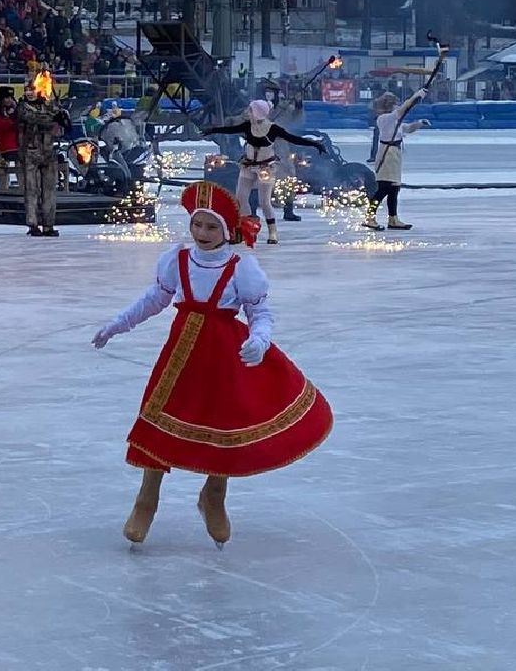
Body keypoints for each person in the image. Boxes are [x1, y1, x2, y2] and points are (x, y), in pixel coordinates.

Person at [91, 181, 333, 547]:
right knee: (159, 417)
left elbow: (259, 311)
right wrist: (118, 323)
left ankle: (214, 495)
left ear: (226, 230)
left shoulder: (241, 269)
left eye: (211, 227)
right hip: (181, 353)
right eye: (197, 225)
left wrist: (259, 338)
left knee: (224, 424)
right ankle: (146, 499)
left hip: (224, 355)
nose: (202, 234)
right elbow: (155, 298)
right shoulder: (178, 260)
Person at [203, 99, 325, 245]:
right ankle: (247, 228)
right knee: (241, 199)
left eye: (251, 110)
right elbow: (230, 130)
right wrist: (213, 130)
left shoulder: (273, 129)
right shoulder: (248, 126)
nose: (248, 112)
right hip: (248, 166)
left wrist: (314, 144)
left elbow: (293, 138)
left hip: (265, 168)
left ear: (256, 113)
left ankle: (272, 232)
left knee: (265, 202)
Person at [367, 90, 431, 231]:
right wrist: (415, 96)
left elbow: (407, 129)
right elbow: (402, 111)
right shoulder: (384, 118)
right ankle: (370, 217)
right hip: (387, 155)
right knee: (384, 188)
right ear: (389, 106)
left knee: (394, 189)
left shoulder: (395, 120)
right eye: (395, 104)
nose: (397, 106)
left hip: (395, 155)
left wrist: (419, 123)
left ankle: (393, 218)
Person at [17, 73, 71, 237]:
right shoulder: (22, 107)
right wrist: (54, 117)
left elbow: (60, 125)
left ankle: (48, 224)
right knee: (31, 190)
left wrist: (63, 118)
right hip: (30, 153)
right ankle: (33, 224)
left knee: (49, 191)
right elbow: (33, 118)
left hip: (48, 152)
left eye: (32, 90)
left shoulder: (48, 106)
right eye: (27, 90)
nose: (29, 93)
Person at [0, 86, 19, 191]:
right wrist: (10, 119)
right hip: (3, 143)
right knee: (3, 168)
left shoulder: (17, 109)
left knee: (19, 168)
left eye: (11, 97)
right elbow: (0, 124)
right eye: (7, 98)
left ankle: (23, 188)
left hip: (17, 143)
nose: (9, 100)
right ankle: (2, 189)